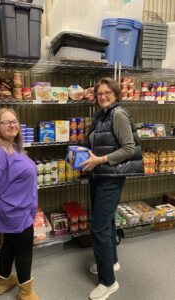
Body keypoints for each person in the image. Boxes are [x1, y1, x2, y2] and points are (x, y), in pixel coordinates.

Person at [81, 77, 144, 300]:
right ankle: (111, 262)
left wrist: (100, 160)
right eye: (99, 93)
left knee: (98, 227)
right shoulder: (101, 115)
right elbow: (97, 143)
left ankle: (108, 282)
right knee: (106, 222)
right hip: (99, 175)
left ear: (116, 94)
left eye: (108, 92)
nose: (103, 96)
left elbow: (128, 149)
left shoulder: (117, 114)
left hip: (110, 177)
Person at [0, 108, 38, 300]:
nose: (12, 125)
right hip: (13, 213)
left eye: (15, 121)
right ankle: (26, 293)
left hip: (18, 210)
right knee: (24, 250)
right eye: (6, 122)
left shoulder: (12, 147)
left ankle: (3, 282)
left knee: (10, 246)